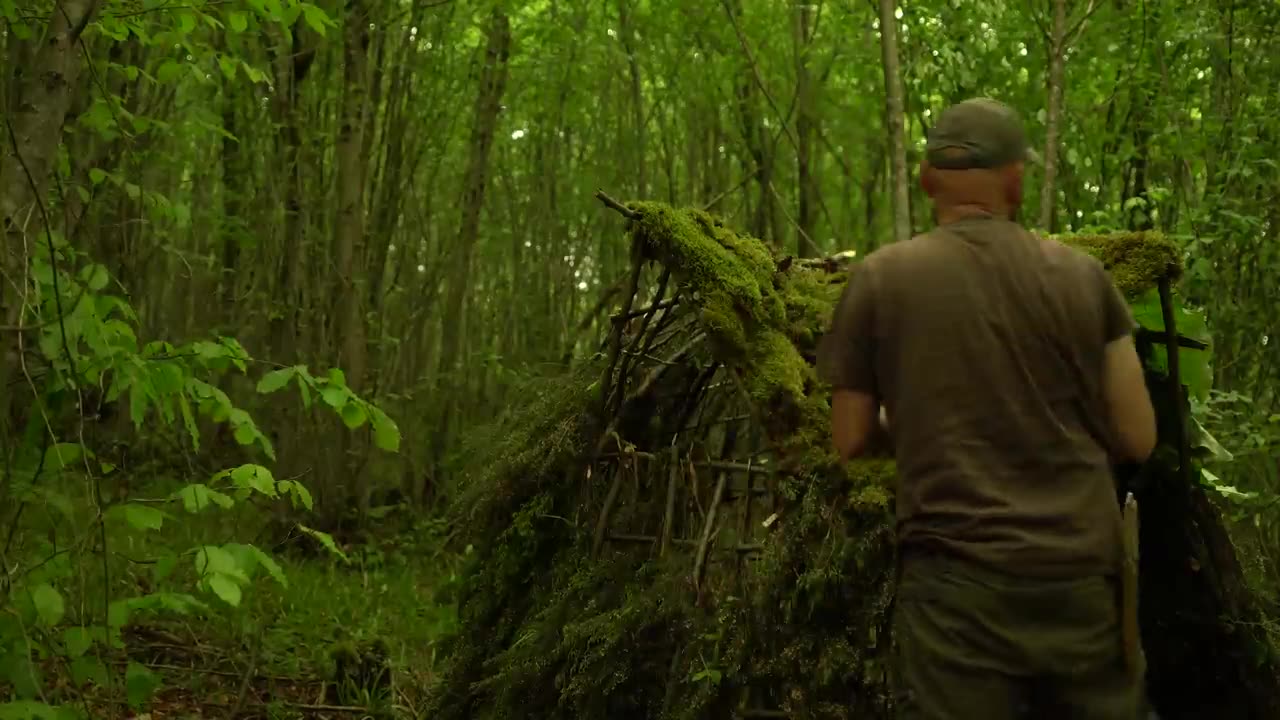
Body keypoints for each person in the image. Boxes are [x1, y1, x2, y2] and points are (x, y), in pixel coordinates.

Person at [816, 97, 1157, 719]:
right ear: (1016, 180)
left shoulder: (881, 280)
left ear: (927, 181)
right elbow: (1137, 436)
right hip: (1077, 579)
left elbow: (849, 436)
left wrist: (920, 419)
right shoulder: (1084, 279)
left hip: (954, 595)